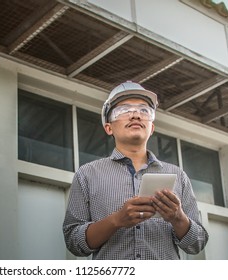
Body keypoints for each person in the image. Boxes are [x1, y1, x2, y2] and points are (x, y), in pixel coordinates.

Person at [62, 81, 208, 260]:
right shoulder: (87, 175)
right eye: (124, 110)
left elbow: (197, 244)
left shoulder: (179, 176)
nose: (136, 116)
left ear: (151, 128)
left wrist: (178, 218)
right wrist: (116, 220)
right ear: (109, 127)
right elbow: (73, 242)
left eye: (144, 110)